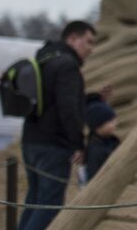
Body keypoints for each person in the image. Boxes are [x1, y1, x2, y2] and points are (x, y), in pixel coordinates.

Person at [19, 20, 97, 230]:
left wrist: (94, 98)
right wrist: (78, 144)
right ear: (72, 39)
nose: (91, 49)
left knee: (34, 201)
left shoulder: (44, 59)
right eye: (88, 42)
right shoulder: (68, 65)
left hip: (30, 141)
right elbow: (67, 108)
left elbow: (53, 100)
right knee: (49, 206)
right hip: (53, 145)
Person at [82, 89, 120, 182]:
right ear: (98, 125)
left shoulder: (113, 141)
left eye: (114, 120)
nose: (114, 124)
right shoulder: (95, 150)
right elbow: (93, 177)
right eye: (109, 122)